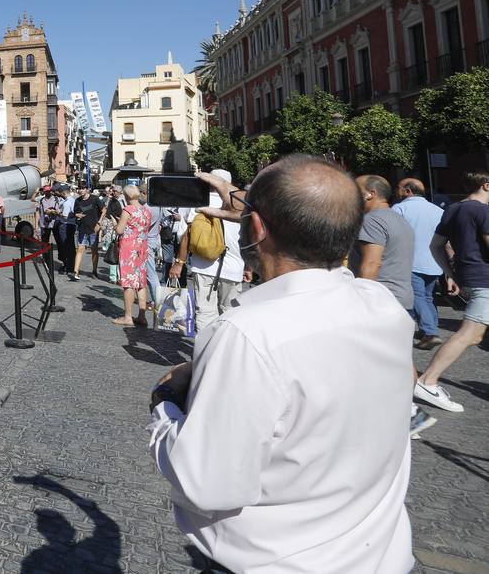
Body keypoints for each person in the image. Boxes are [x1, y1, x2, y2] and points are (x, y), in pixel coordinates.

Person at [147, 156, 415, 573]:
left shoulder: (248, 334)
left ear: (254, 229)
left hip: (274, 561)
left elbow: (204, 482)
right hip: (378, 557)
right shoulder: (384, 309)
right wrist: (253, 209)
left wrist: (164, 401)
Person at [413, 171, 489, 414]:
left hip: (470, 276)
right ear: (486, 185)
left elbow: (435, 245)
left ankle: (427, 380)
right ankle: (428, 381)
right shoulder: (482, 211)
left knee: (474, 335)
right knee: (470, 334)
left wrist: (450, 274)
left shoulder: (454, 209)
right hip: (484, 278)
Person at [169, 169, 244, 332]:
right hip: (234, 267)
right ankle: (226, 352)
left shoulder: (198, 201)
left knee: (204, 313)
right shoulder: (240, 204)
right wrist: (250, 267)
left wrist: (179, 263)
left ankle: (206, 354)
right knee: (231, 314)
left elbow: (187, 236)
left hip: (204, 266)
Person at [395, 178, 449, 349]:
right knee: (428, 296)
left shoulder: (400, 208)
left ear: (408, 190)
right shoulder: (437, 210)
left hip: (411, 260)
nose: (397, 190)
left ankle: (430, 332)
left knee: (417, 297)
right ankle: (430, 328)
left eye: (400, 188)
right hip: (434, 261)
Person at [351, 175, 415, 314]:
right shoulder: (399, 220)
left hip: (379, 302)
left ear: (371, 194)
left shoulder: (371, 220)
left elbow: (372, 263)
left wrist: (363, 302)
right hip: (401, 299)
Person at [113, 185, 152, 327]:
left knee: (128, 282)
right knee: (141, 282)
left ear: (127, 196)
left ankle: (128, 317)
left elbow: (119, 230)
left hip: (129, 249)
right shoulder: (146, 211)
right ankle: (142, 316)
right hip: (142, 247)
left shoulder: (127, 210)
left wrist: (115, 223)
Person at [72, 185, 102, 279]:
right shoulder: (77, 200)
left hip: (93, 228)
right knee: (80, 249)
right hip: (82, 228)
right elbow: (75, 213)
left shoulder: (95, 199)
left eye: (83, 188)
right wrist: (77, 215)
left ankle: (94, 271)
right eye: (79, 188)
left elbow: (104, 210)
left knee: (94, 250)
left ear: (87, 189)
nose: (81, 190)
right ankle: (75, 272)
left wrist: (99, 223)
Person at [53, 184, 77, 277]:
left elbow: (65, 216)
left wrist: (57, 213)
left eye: (60, 193)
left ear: (63, 193)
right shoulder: (73, 200)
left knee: (66, 246)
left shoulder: (66, 203)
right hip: (71, 225)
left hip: (66, 225)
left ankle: (69, 266)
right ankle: (70, 266)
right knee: (70, 246)